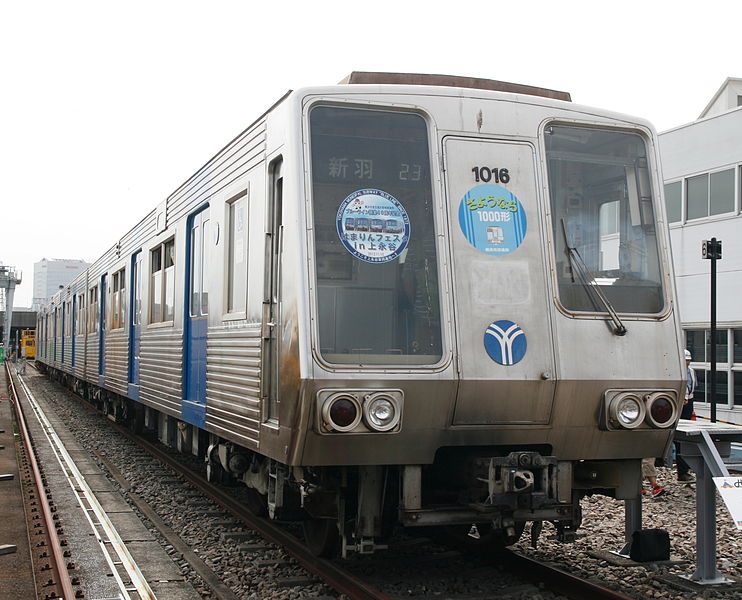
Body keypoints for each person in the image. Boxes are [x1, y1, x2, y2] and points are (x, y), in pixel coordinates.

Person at [675, 349, 696, 482]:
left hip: (688, 404)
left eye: (688, 361)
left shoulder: (691, 372)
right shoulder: (677, 372)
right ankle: (682, 471)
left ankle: (685, 470)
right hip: (679, 404)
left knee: (686, 439)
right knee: (679, 439)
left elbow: (692, 387)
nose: (687, 363)